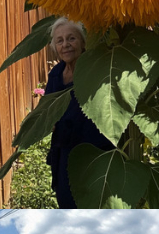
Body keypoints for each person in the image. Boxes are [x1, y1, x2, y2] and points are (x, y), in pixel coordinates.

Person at [43, 18, 113, 208]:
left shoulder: (95, 70)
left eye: (71, 38)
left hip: (93, 152)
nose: (65, 45)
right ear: (55, 47)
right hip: (64, 151)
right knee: (66, 201)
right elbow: (47, 109)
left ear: (83, 42)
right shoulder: (56, 74)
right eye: (60, 41)